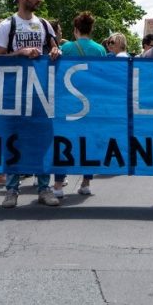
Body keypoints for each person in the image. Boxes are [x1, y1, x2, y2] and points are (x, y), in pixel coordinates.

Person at [0, 0, 62, 208]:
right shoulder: (7, 25)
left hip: (41, 95)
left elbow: (55, 49)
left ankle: (44, 188)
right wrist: (19, 53)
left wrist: (56, 51)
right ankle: (11, 190)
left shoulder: (43, 25)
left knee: (42, 141)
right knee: (14, 142)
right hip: (13, 95)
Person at [53, 11, 108, 198]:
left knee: (63, 142)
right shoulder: (100, 50)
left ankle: (59, 185)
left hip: (67, 104)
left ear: (75, 29)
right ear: (91, 29)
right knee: (88, 142)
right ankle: (85, 183)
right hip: (91, 104)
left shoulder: (66, 48)